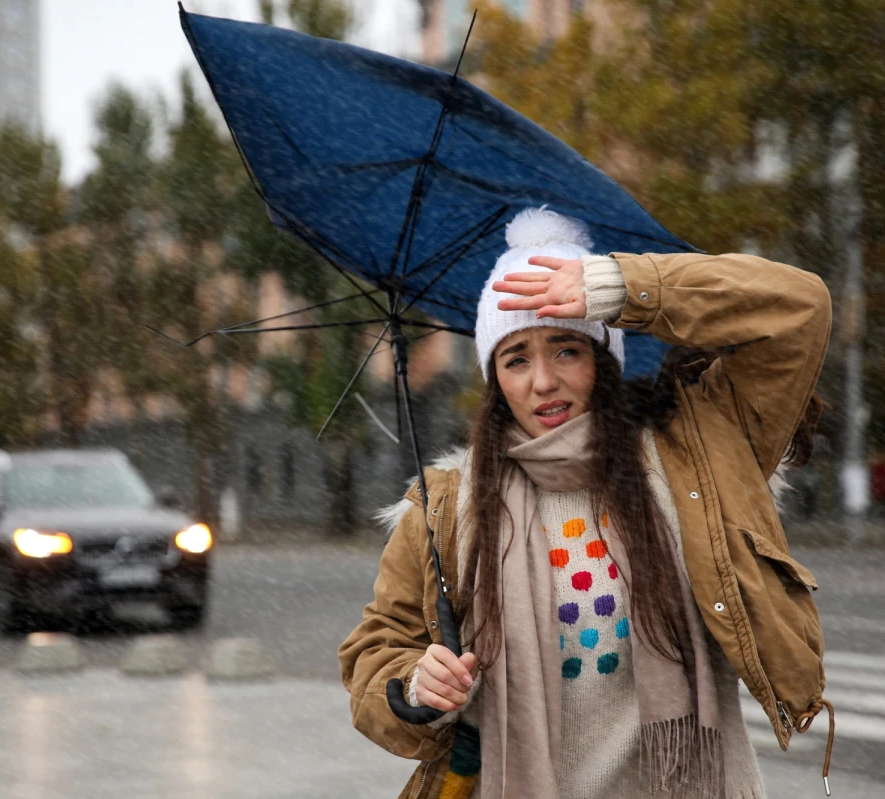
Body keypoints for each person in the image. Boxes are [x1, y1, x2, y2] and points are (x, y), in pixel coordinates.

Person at [339, 207, 834, 799]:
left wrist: (621, 288)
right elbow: (377, 653)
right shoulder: (448, 508)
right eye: (516, 358)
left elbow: (799, 309)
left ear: (602, 358)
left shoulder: (694, 453)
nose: (542, 380)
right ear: (495, 380)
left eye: (566, 349)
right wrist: (416, 687)